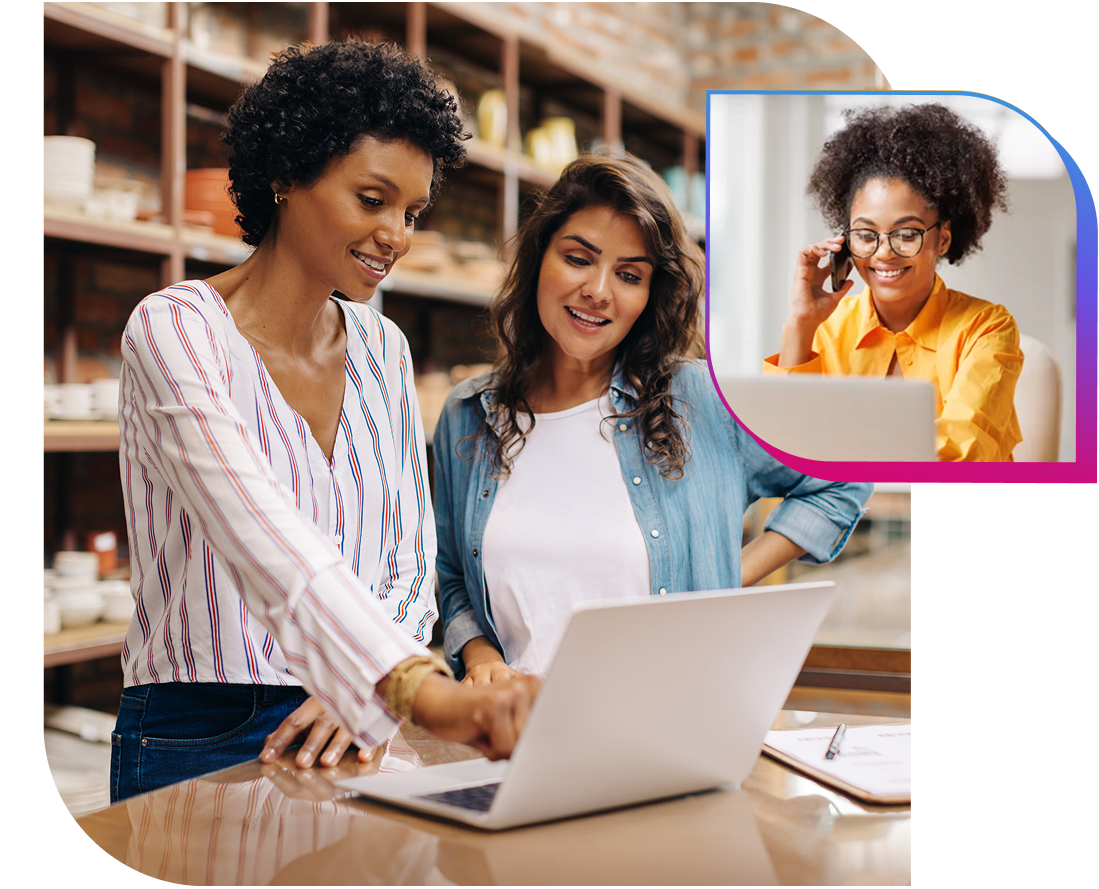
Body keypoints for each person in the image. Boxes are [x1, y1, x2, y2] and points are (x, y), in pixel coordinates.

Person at [111, 40, 538, 804]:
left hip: (364, 724)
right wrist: (411, 684)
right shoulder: (175, 330)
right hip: (202, 725)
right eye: (372, 200)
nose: (397, 235)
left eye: (412, 212)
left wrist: (369, 691)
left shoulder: (382, 345)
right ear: (284, 174)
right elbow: (257, 528)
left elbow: (409, 552)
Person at [432, 153, 873, 684]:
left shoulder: (703, 401)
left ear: (650, 295)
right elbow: (452, 572)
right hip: (510, 746)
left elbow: (844, 471)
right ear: (538, 259)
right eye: (577, 258)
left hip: (667, 737)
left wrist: (729, 579)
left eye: (628, 275)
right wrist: (479, 655)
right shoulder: (469, 414)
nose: (598, 290)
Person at [765, 102, 1023, 462]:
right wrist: (801, 323)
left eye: (905, 233)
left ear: (943, 239)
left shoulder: (987, 328)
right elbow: (780, 442)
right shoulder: (829, 327)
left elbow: (964, 447)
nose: (884, 253)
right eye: (866, 234)